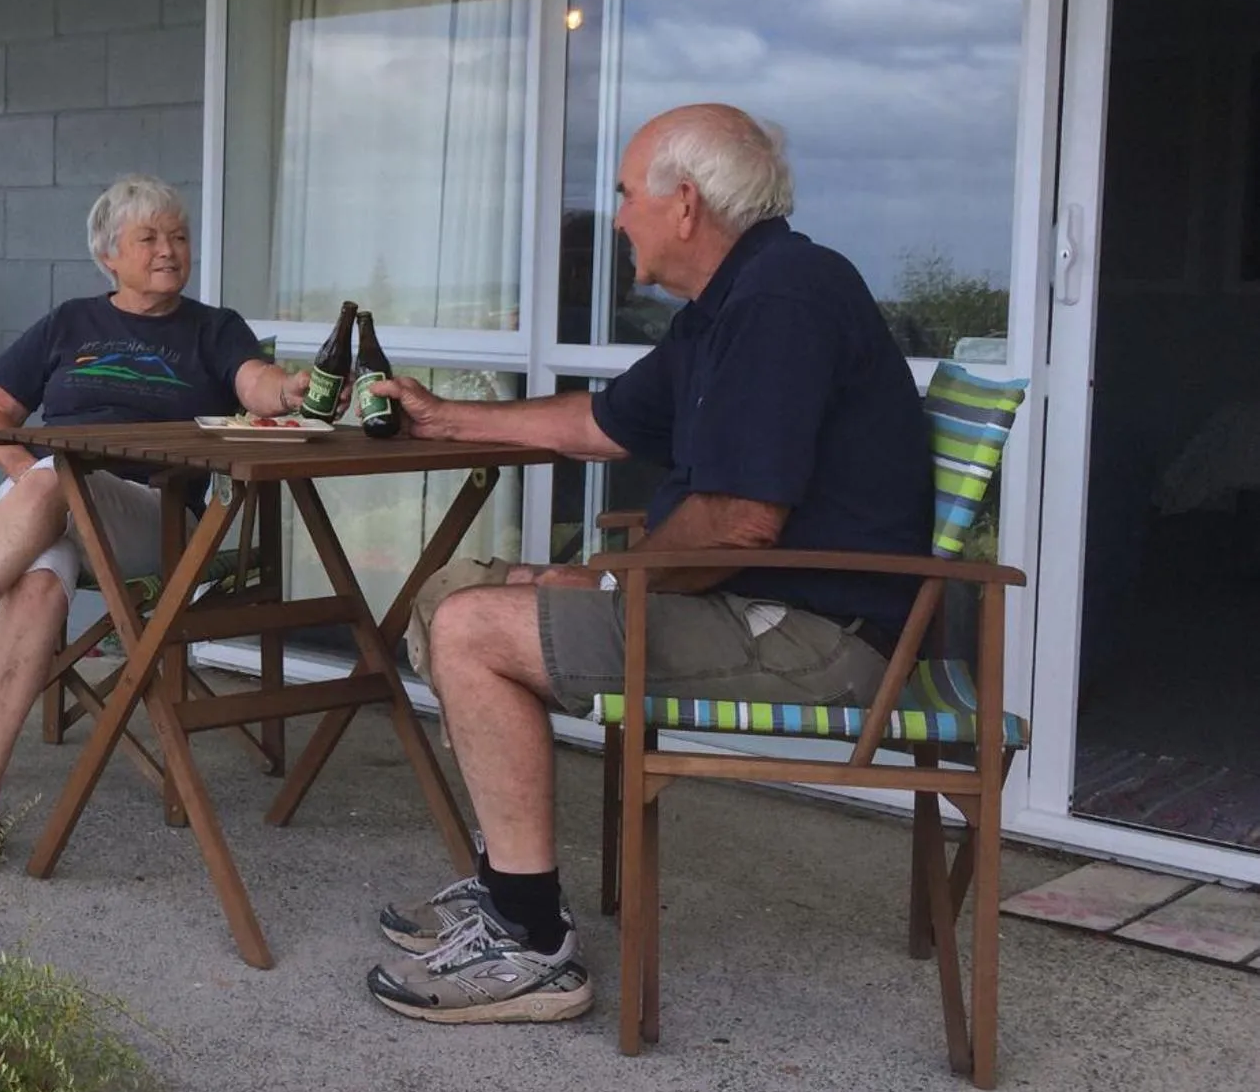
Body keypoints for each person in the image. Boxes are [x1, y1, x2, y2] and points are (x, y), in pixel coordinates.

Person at [364, 103, 933, 1024]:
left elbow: (741, 522)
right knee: (449, 590)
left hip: (817, 635)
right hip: (749, 604)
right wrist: (447, 418)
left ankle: (530, 946)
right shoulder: (725, 308)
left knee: (474, 630)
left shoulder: (786, 296)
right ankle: (508, 882)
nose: (617, 214)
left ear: (684, 204)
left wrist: (602, 578)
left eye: (626, 193)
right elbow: (602, 422)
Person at [0, 175, 313, 878]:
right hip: (53, 504)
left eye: (177, 236)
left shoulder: (213, 328)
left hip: (153, 519)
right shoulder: (69, 324)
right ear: (108, 256)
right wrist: (32, 477)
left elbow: (254, 384)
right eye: (148, 238)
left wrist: (287, 391)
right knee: (35, 577)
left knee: (54, 477)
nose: (169, 250)